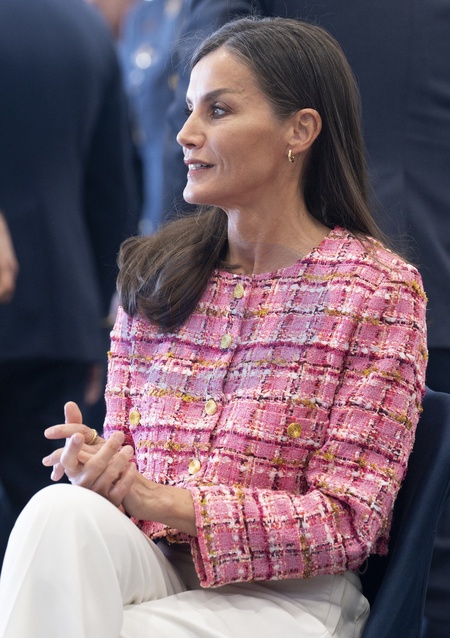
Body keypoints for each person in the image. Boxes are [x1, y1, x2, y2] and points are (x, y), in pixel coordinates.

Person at [0, 17, 427, 638]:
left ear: (301, 130)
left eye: (218, 110)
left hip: (290, 597)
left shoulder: (377, 290)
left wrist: (163, 500)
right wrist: (102, 471)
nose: (185, 134)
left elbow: (347, 523)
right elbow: (125, 476)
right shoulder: (157, 275)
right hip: (153, 565)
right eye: (189, 109)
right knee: (56, 510)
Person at [0, 0, 140, 566]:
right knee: (49, 536)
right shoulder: (84, 28)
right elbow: (113, 196)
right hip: (61, 316)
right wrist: (98, 326)